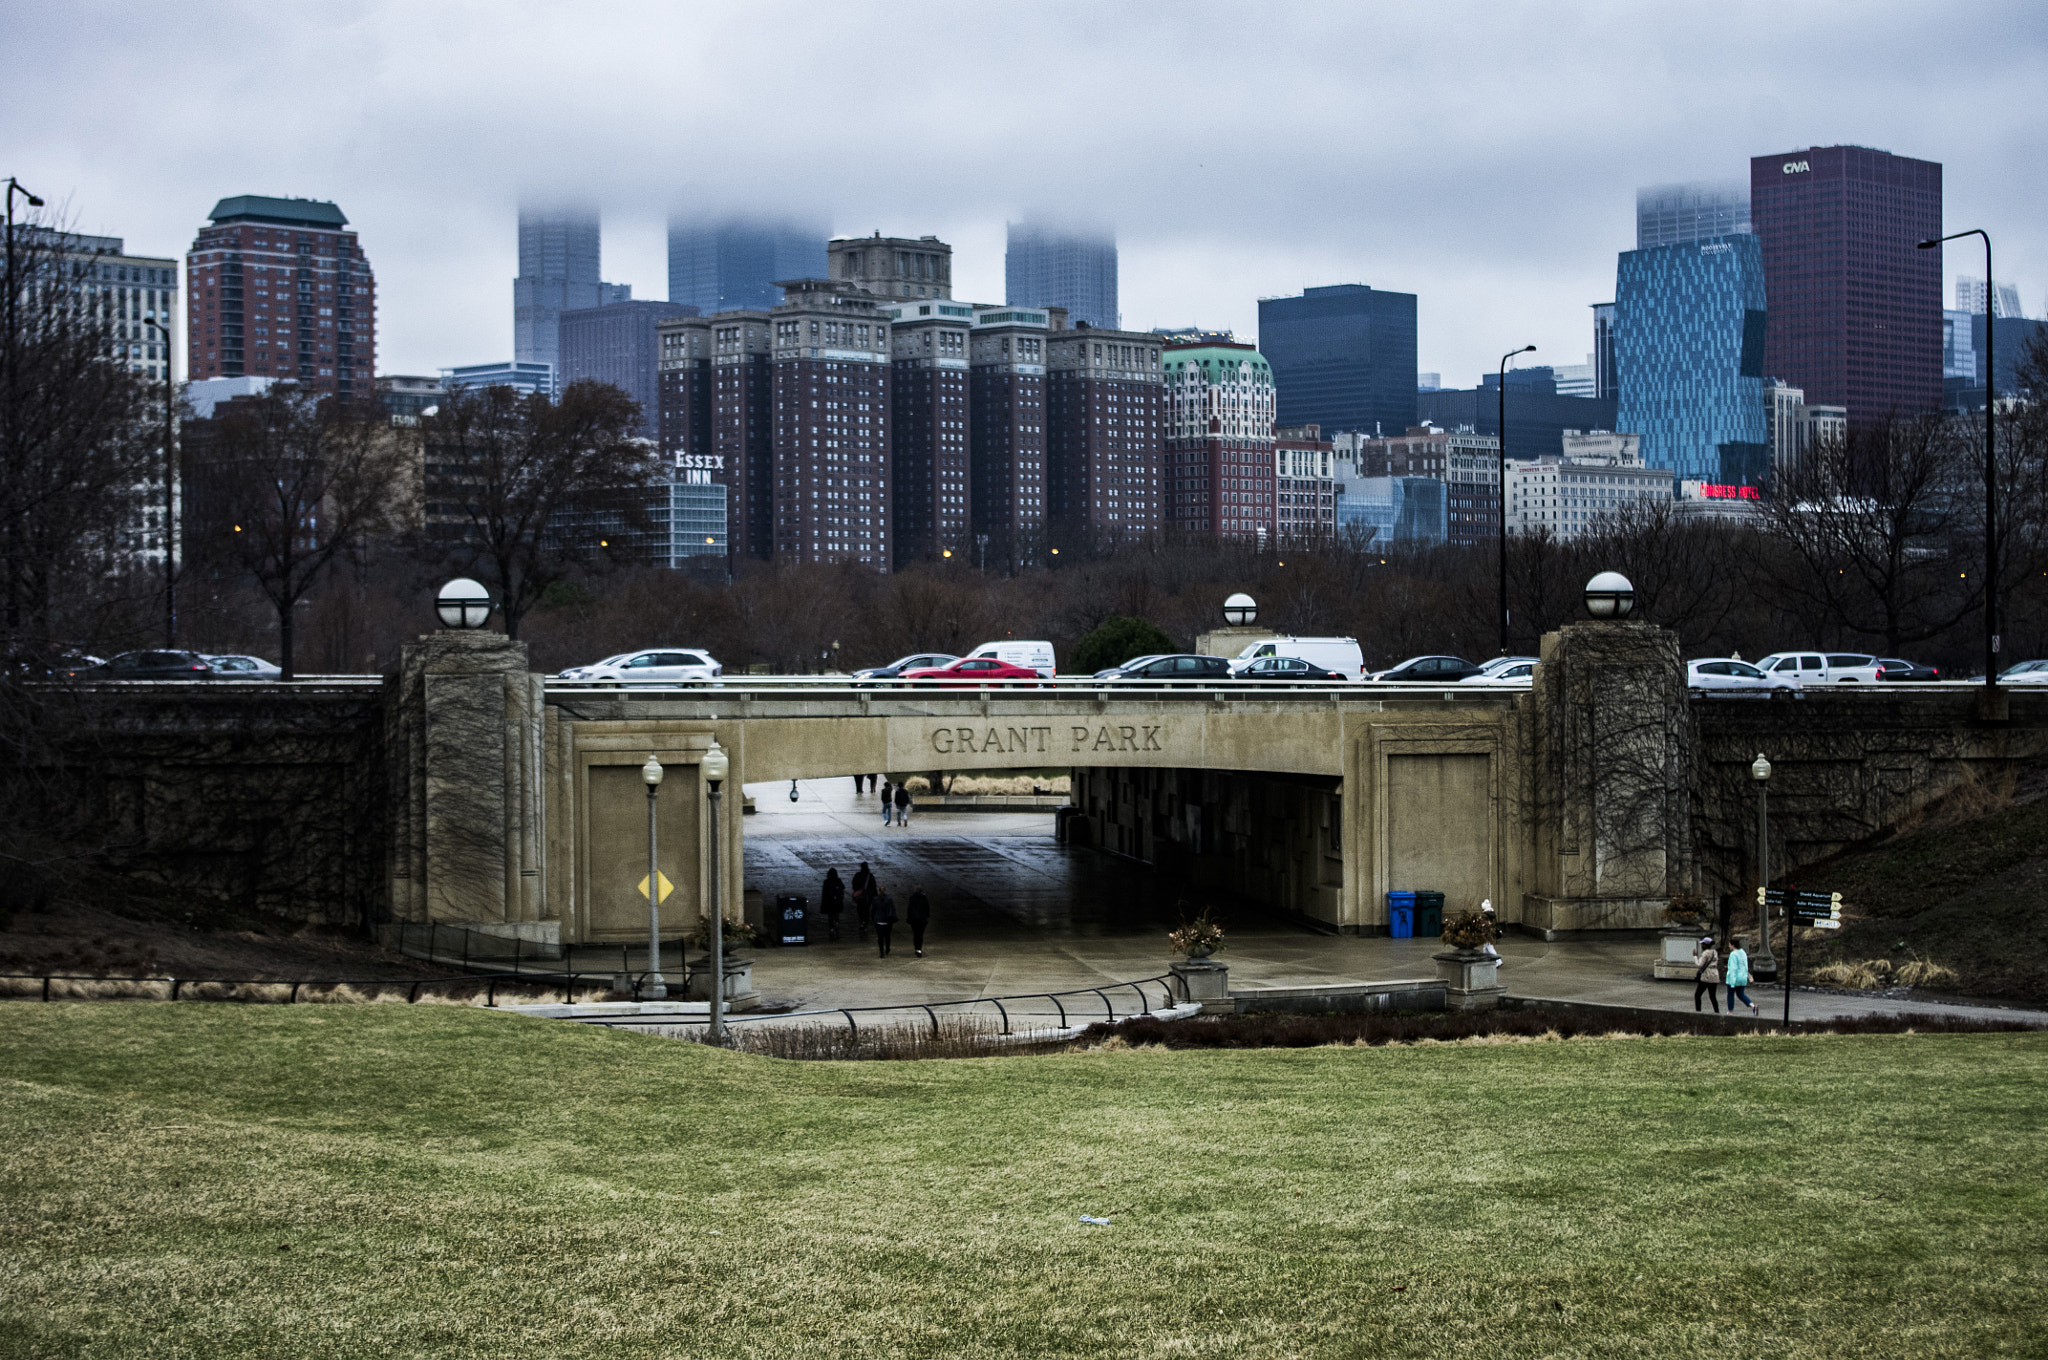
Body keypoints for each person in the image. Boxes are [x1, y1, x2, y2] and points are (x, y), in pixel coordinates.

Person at [1724, 935, 1759, 1016]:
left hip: (1734, 978)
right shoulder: (1743, 952)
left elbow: (1733, 968)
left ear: (1733, 945)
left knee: (1730, 994)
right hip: (1742, 978)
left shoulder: (1733, 954)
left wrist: (1732, 982)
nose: (1729, 946)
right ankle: (1753, 1006)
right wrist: (1747, 975)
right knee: (1741, 994)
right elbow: (1745, 965)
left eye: (1729, 944)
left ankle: (1730, 1011)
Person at [1692, 934, 1721, 1014]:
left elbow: (1700, 965)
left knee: (1697, 995)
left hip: (1706, 976)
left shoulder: (1705, 953)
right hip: (1714, 975)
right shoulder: (1715, 952)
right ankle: (1717, 1012)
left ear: (1705, 945)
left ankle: (1698, 1011)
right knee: (1712, 996)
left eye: (1703, 944)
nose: (1701, 945)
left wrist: (1695, 957)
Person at [871, 884, 898, 958]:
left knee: (880, 937)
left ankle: (881, 951)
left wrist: (873, 919)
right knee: (887, 936)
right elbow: (892, 909)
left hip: (878, 920)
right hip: (887, 921)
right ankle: (887, 948)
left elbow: (872, 910)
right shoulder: (889, 899)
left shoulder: (875, 899)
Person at [820, 868, 845, 941]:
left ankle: (831, 929)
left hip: (829, 902)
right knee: (836, 916)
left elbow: (824, 894)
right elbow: (843, 887)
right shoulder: (838, 880)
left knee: (830, 916)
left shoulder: (826, 882)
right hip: (837, 902)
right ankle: (837, 927)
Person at [906, 885, 931, 957]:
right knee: (920, 934)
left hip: (914, 919)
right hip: (922, 919)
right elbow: (927, 908)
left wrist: (909, 918)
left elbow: (909, 909)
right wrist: (927, 916)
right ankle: (919, 948)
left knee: (915, 933)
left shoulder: (912, 898)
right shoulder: (924, 898)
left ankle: (916, 948)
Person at [852, 861, 874, 937]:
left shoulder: (857, 875)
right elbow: (873, 887)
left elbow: (854, 884)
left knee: (860, 909)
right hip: (868, 897)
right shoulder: (870, 876)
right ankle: (865, 923)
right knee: (867, 910)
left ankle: (862, 922)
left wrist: (857, 891)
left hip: (860, 896)